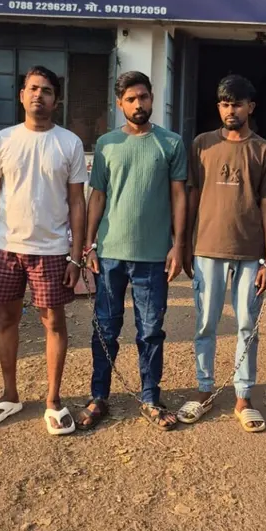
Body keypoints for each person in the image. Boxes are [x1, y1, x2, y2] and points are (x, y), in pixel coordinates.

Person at [0, 66, 87, 435]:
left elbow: (77, 203)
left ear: (56, 100)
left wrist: (76, 256)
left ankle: (53, 401)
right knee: (5, 319)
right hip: (4, 247)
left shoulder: (69, 143)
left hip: (51, 250)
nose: (39, 95)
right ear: (22, 95)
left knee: (54, 322)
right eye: (33, 88)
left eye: (47, 90)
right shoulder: (2, 141)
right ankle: (9, 395)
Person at [78, 71, 187, 432]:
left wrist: (178, 245)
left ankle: (151, 397)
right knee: (105, 329)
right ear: (119, 103)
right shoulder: (107, 143)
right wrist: (89, 244)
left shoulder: (170, 143)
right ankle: (99, 396)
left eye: (144, 97)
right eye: (131, 99)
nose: (138, 104)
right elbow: (97, 196)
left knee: (151, 331)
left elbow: (179, 197)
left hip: (154, 256)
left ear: (152, 98)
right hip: (110, 254)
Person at [178, 74, 266, 432]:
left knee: (246, 324)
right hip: (207, 248)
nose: (230, 110)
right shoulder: (202, 145)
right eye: (224, 104)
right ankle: (204, 390)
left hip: (250, 251)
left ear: (250, 107)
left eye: (237, 104)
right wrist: (185, 244)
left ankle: (243, 396)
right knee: (205, 323)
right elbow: (192, 195)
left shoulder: (265, 151)